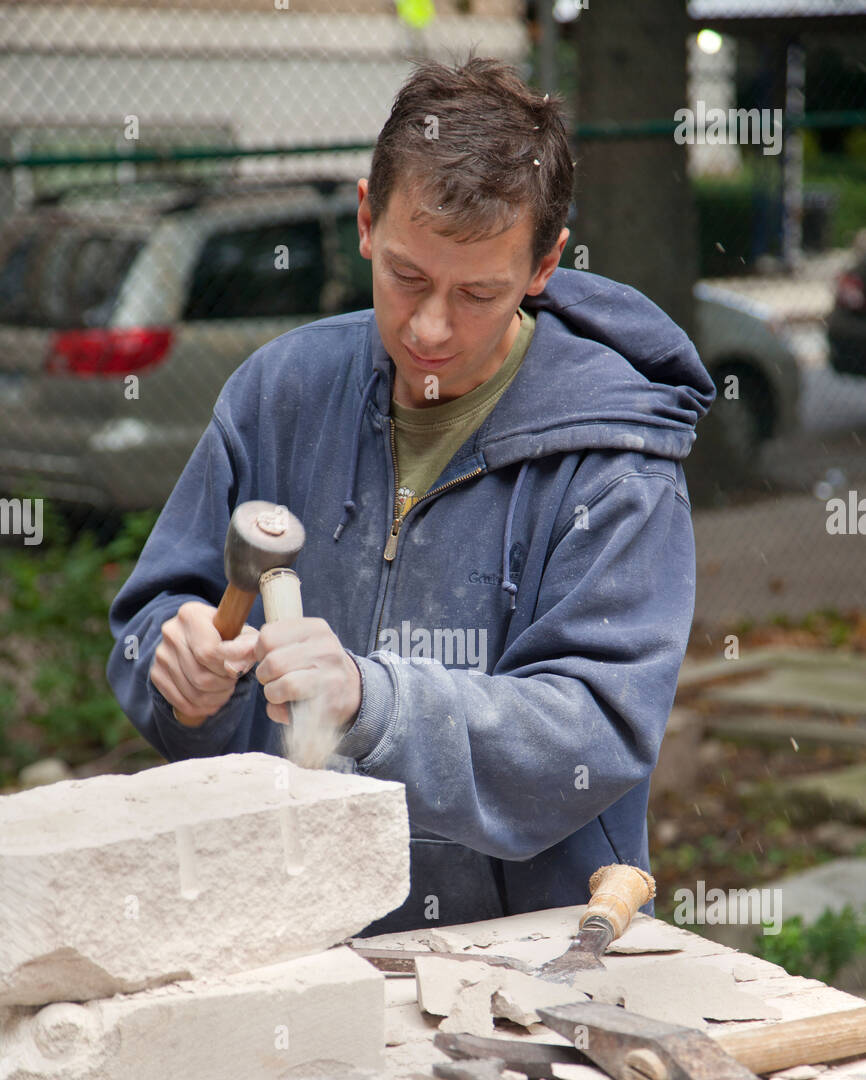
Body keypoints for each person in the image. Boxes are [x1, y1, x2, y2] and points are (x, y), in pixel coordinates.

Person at [107, 55, 715, 935]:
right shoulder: (278, 395)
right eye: (407, 277)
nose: (430, 329)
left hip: (527, 951)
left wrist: (373, 699)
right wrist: (181, 679)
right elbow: (152, 622)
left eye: (477, 293)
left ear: (544, 264)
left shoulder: (617, 458)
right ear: (365, 217)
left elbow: (594, 728)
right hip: (293, 926)